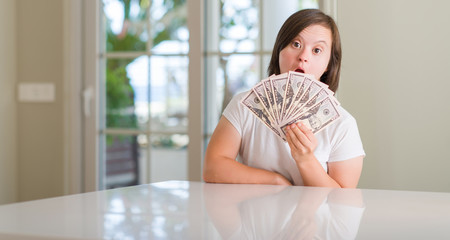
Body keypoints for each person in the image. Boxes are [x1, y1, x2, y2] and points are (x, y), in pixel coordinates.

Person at [203, 9, 365, 188]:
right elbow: (212, 167)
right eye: (296, 44)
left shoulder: (343, 125)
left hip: (313, 217)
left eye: (317, 50)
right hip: (254, 214)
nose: (303, 57)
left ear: (329, 65)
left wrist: (305, 159)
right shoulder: (244, 105)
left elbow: (343, 202)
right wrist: (276, 181)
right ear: (279, 50)